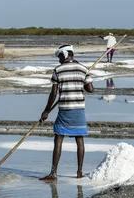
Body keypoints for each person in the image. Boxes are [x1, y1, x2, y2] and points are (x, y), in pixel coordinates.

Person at [39, 45, 94, 182]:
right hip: (79, 108)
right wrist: (82, 80)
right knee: (79, 140)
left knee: (58, 139)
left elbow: (54, 93)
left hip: (65, 109)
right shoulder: (83, 69)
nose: (58, 60)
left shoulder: (58, 70)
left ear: (64, 54)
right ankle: (79, 172)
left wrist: (46, 111)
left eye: (59, 57)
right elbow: (90, 89)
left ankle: (53, 173)